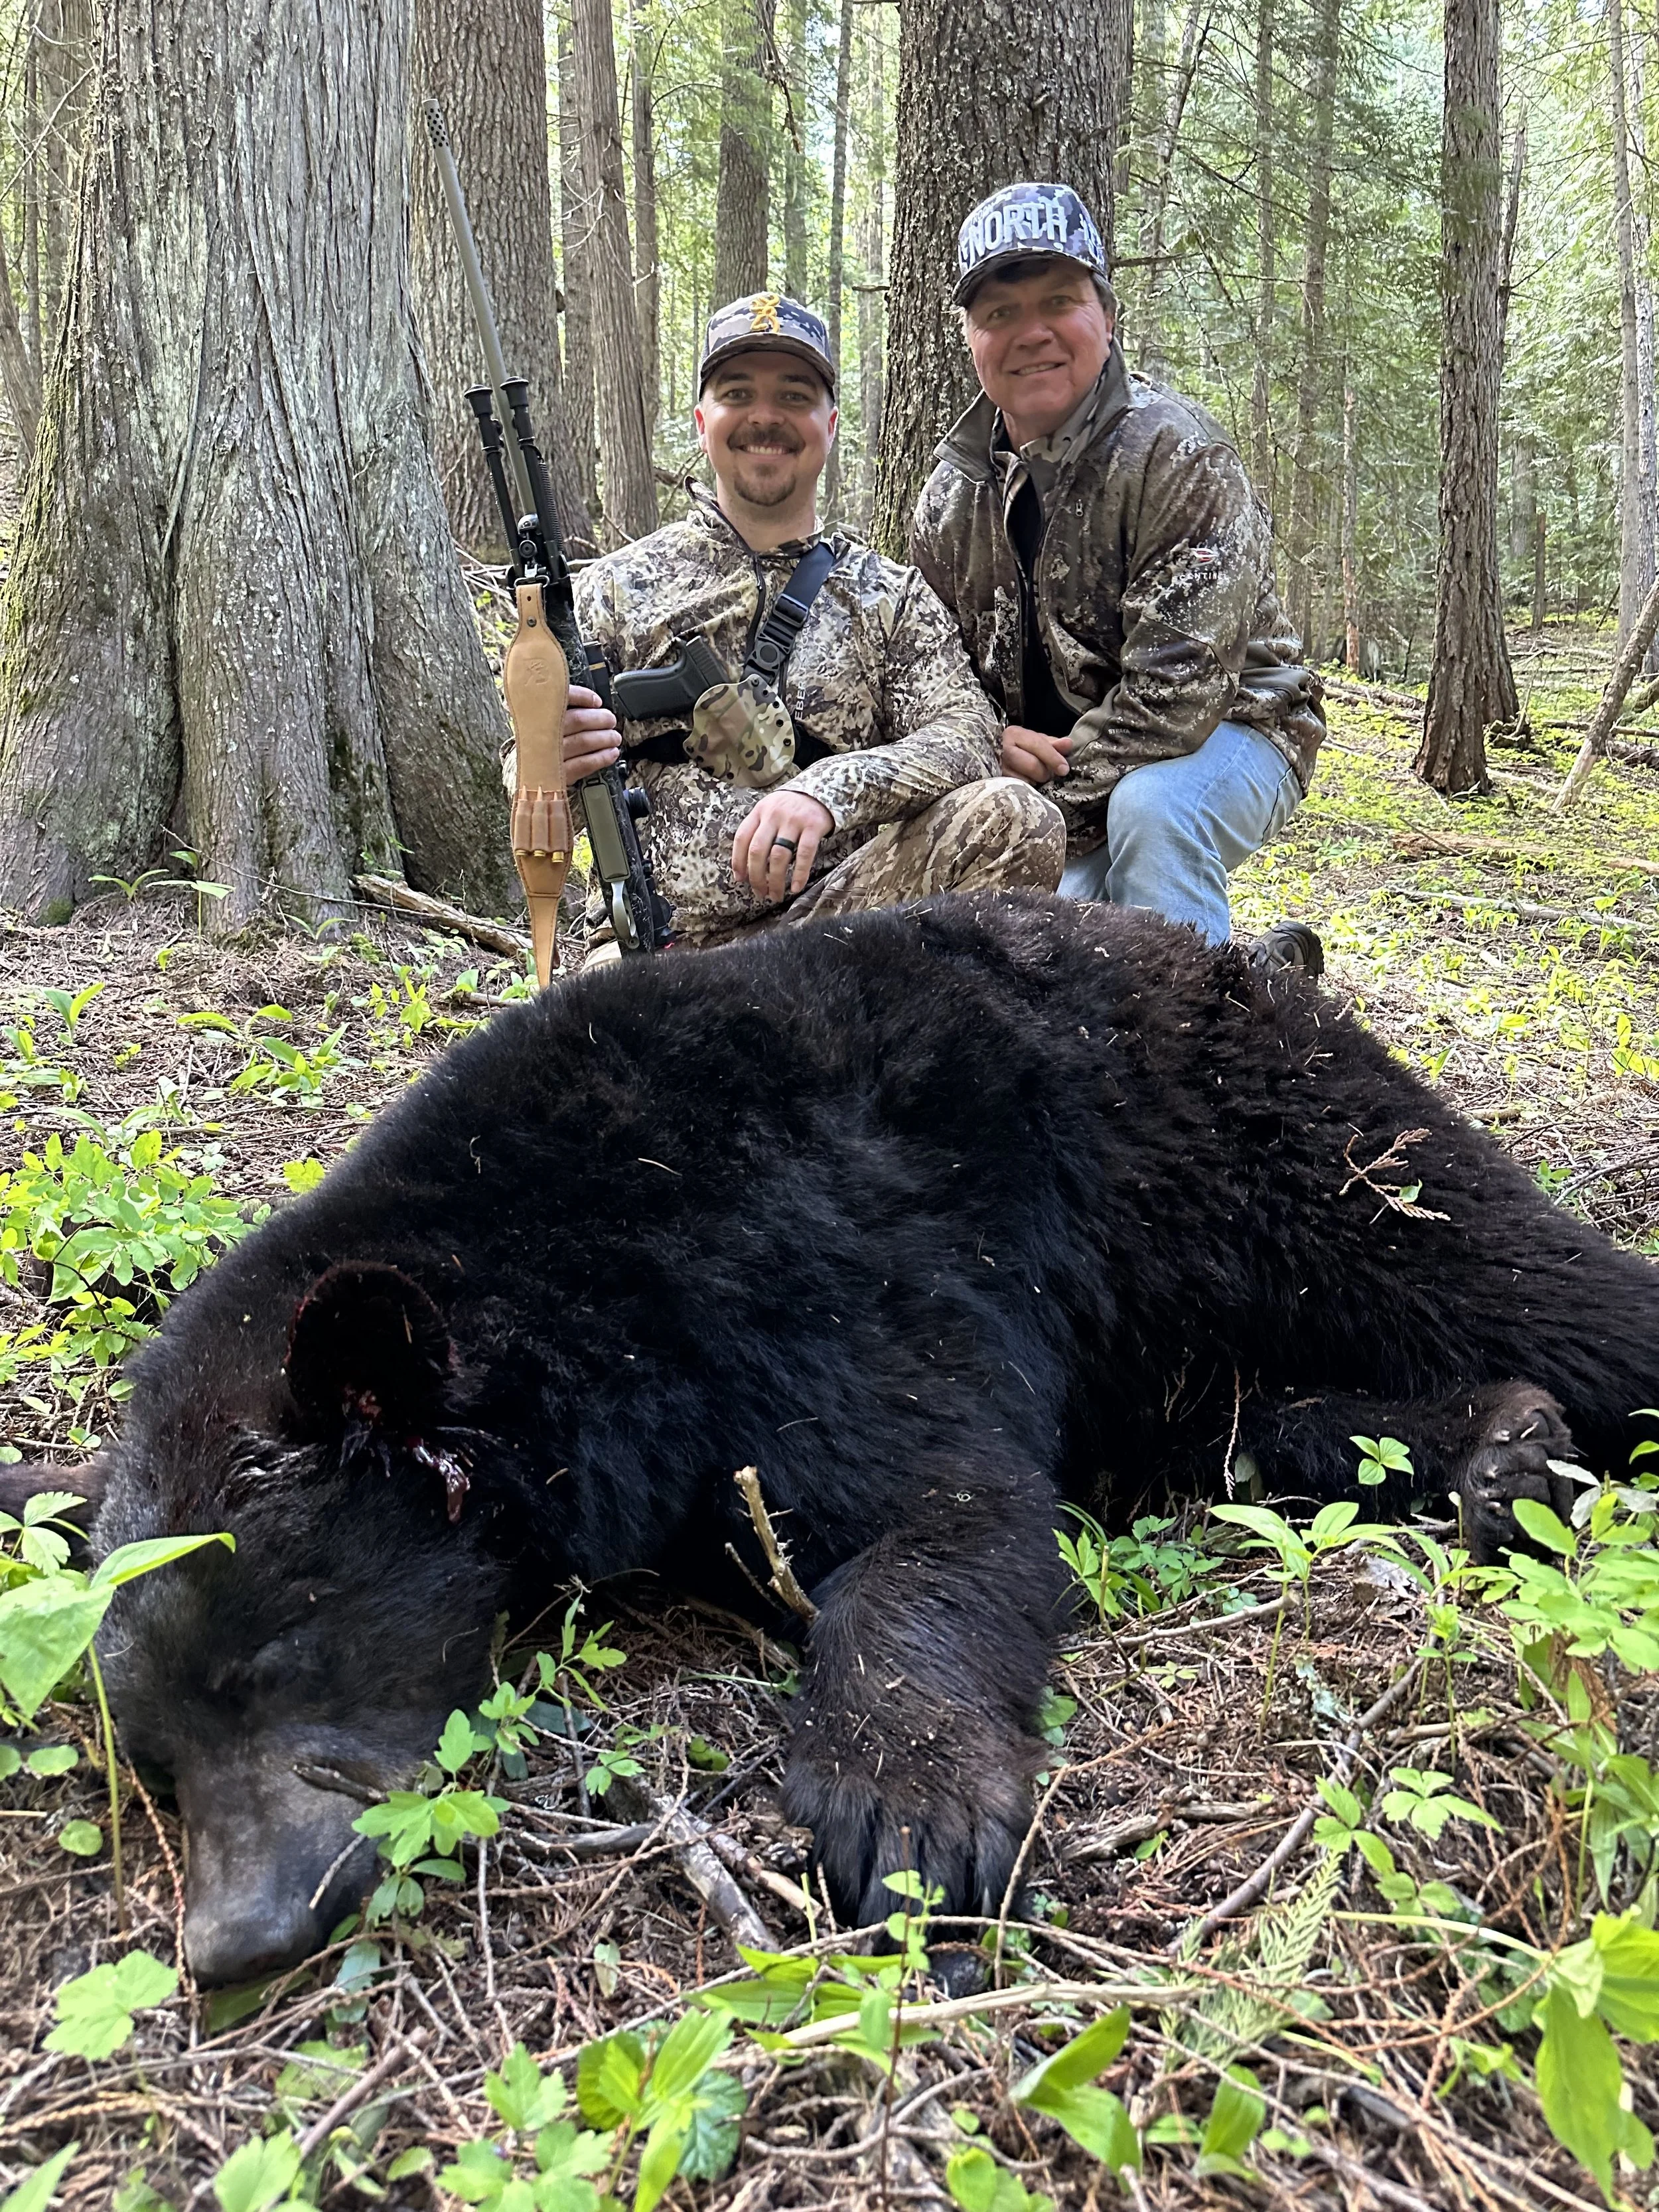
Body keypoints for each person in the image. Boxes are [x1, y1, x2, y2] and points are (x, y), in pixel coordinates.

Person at [561, 291, 1065, 950]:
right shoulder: (610, 591)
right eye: (737, 394)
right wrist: (548, 765)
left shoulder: (889, 596)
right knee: (590, 1033)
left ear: (829, 426)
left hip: (840, 943)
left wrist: (831, 791)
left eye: (794, 396)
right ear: (700, 420)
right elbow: (528, 794)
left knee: (1014, 818)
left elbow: (967, 733)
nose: (764, 417)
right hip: (662, 958)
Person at [910, 183, 1327, 968]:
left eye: (1058, 302)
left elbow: (1178, 699)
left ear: (1105, 315)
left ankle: (1198, 1057)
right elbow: (929, 672)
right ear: (968, 338)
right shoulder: (948, 496)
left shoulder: (1176, 455)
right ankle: (1253, 981)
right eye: (999, 313)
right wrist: (985, 743)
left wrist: (1029, 810)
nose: (1030, 334)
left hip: (1240, 725)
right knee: (1032, 947)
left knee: (1153, 815)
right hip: (1046, 762)